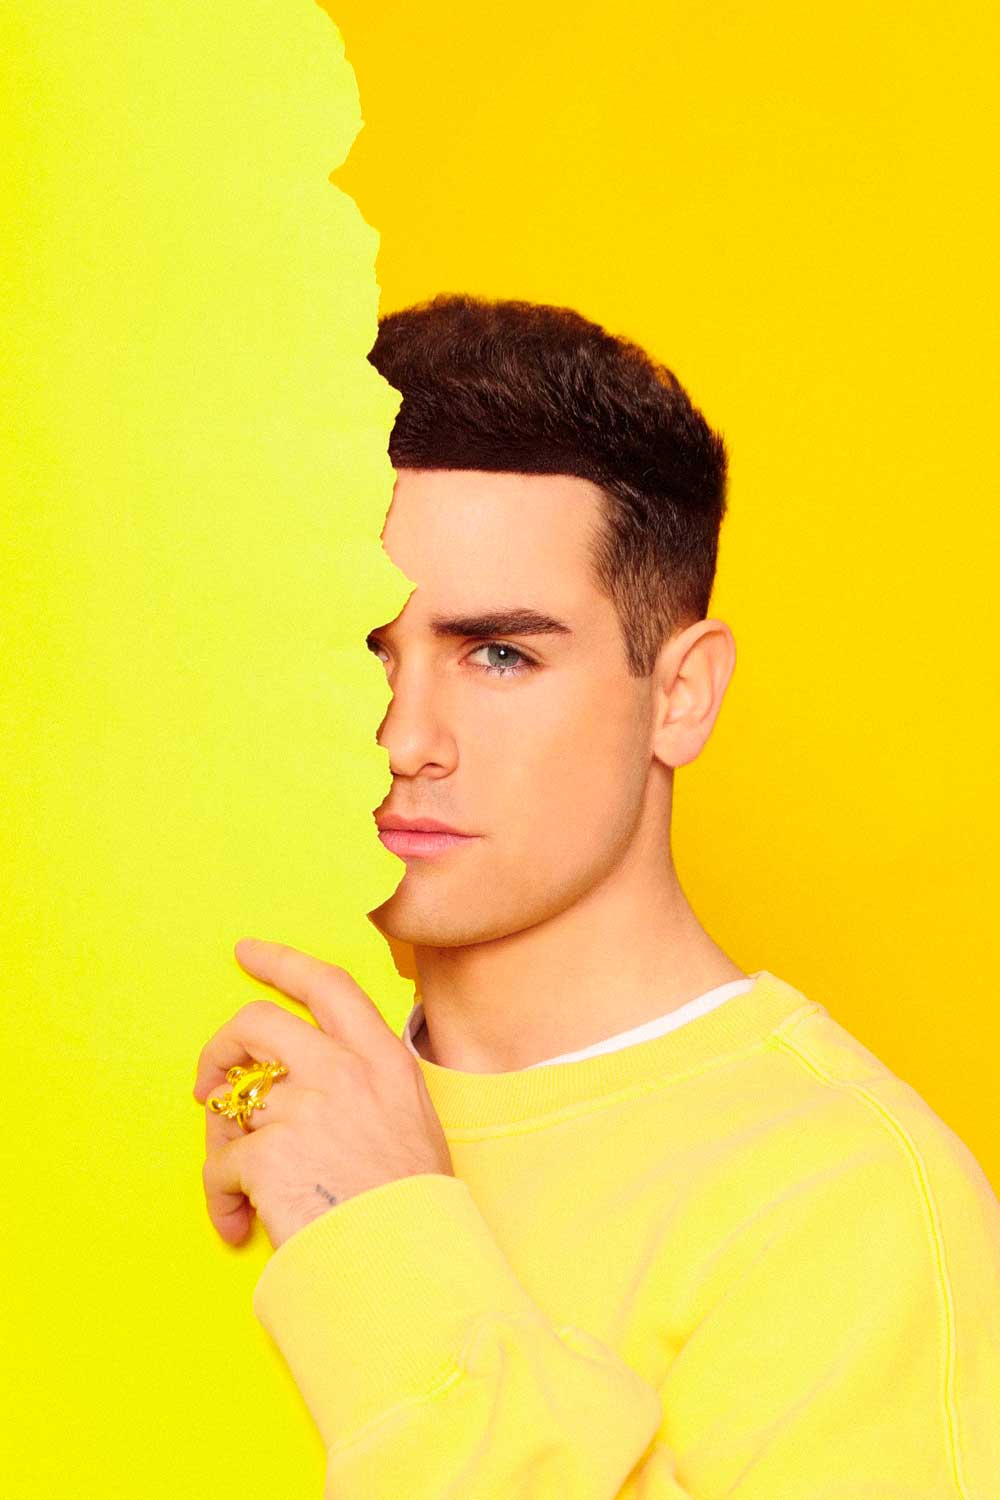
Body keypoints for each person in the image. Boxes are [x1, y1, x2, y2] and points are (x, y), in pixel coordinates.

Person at [239, 295, 1000, 1495]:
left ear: (680, 694)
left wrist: (378, 1241)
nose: (402, 737)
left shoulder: (849, 1197)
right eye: (360, 651)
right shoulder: (268, 1095)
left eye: (500, 654)